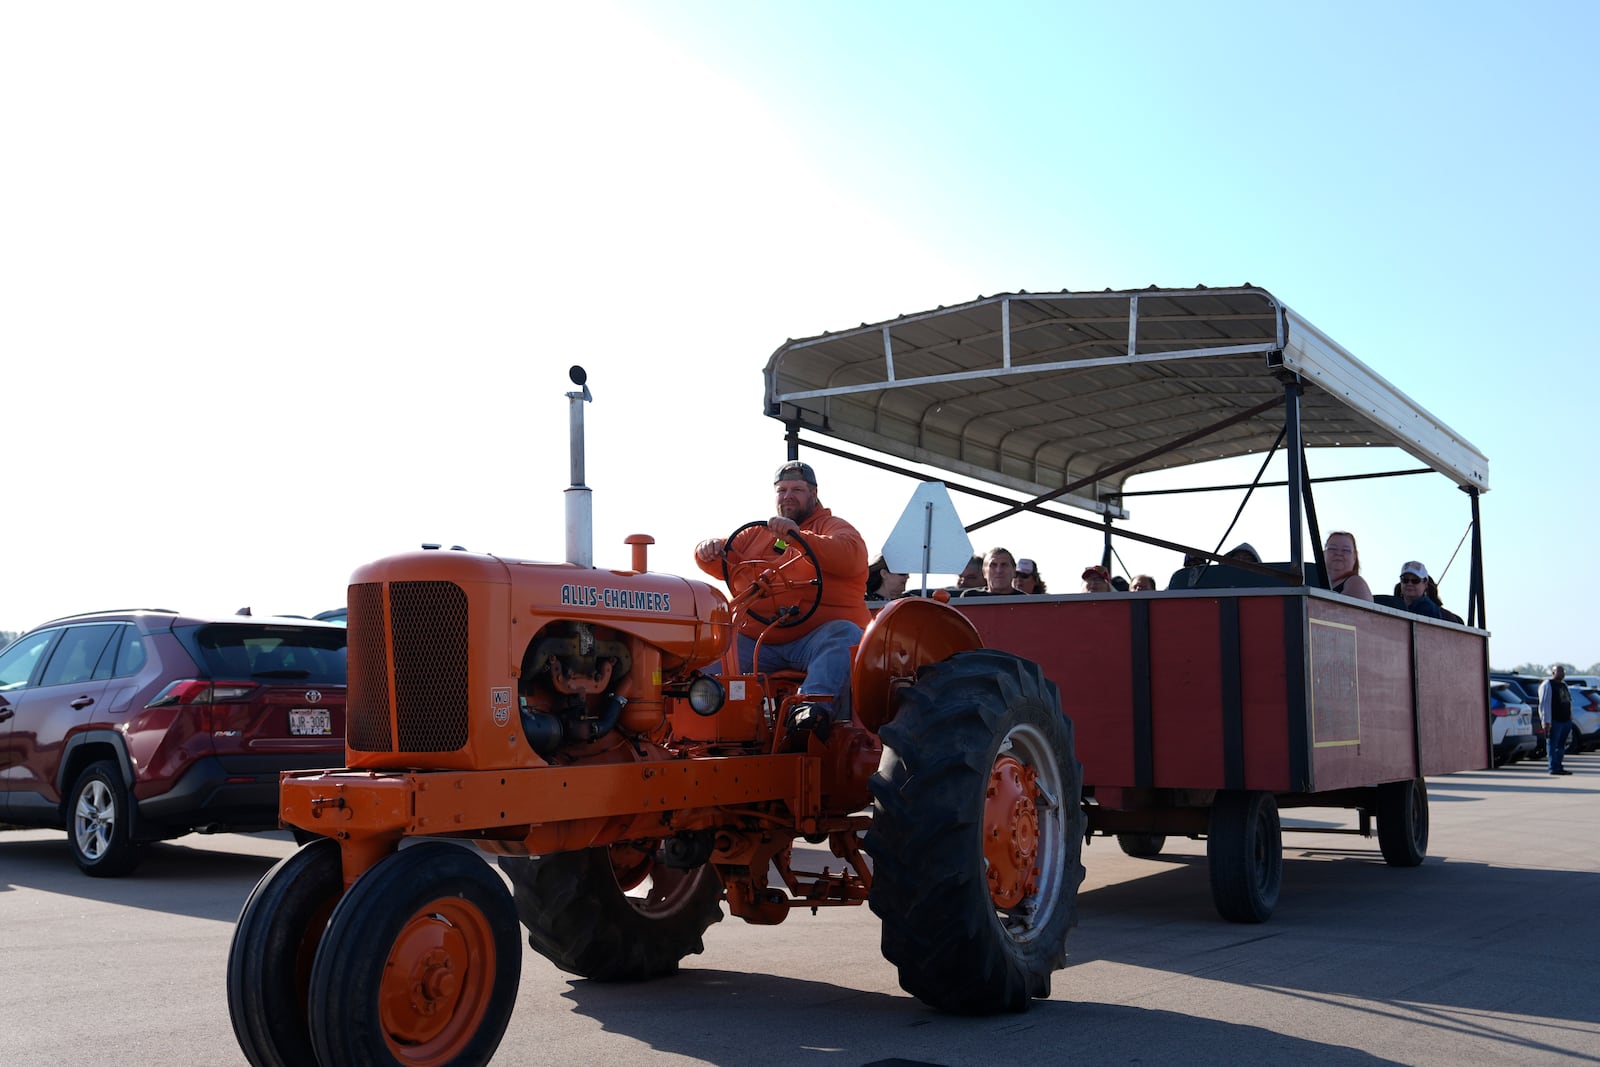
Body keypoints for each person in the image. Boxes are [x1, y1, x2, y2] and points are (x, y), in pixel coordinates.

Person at [694, 461, 869, 712]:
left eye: (797, 490)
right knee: (706, 665)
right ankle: (698, 733)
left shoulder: (834, 528)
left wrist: (799, 539)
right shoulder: (757, 533)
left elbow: (851, 555)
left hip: (813, 640)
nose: (788, 496)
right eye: (781, 490)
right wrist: (705, 550)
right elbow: (727, 557)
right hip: (759, 642)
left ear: (813, 494)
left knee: (845, 635)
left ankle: (809, 713)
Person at [1322, 530, 1374, 602]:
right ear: (1324, 553)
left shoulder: (1355, 582)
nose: (1338, 553)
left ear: (1354, 557)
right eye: (1332, 548)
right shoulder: (1312, 582)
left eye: (1346, 550)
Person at [1540, 664, 1573, 775]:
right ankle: (1553, 767)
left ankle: (1559, 766)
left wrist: (1570, 717)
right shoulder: (1548, 685)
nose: (1562, 673)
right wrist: (1546, 722)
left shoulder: (1564, 685)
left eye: (1563, 671)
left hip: (1566, 720)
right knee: (1552, 744)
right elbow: (1544, 704)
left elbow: (1568, 702)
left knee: (1561, 746)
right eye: (1559, 671)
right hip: (1554, 721)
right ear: (1553, 673)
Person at [961, 547, 1026, 596]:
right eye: (993, 565)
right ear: (984, 572)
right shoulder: (970, 597)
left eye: (1004, 565)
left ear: (1014, 571)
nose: (999, 570)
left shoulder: (1026, 601)